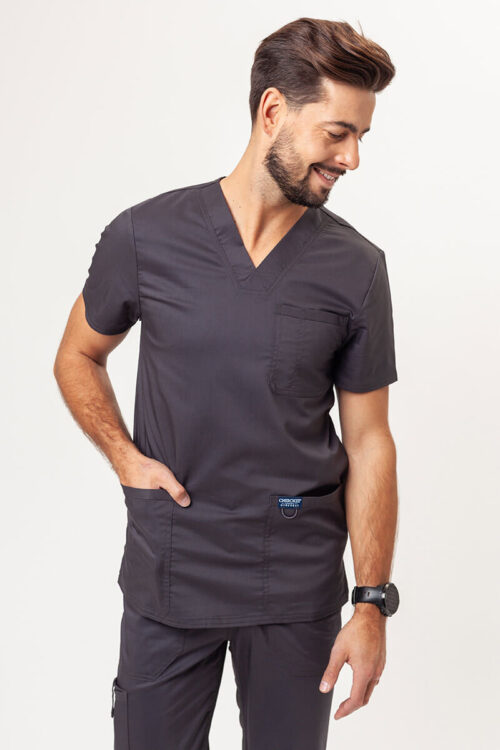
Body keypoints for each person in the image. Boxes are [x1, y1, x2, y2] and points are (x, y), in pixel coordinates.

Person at [53, 16, 400, 750]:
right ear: (273, 111)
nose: (353, 158)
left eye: (362, 136)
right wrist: (123, 456)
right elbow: (78, 355)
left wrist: (370, 603)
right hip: (172, 567)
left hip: (295, 585)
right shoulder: (145, 237)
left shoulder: (357, 269)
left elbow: (370, 441)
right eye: (338, 133)